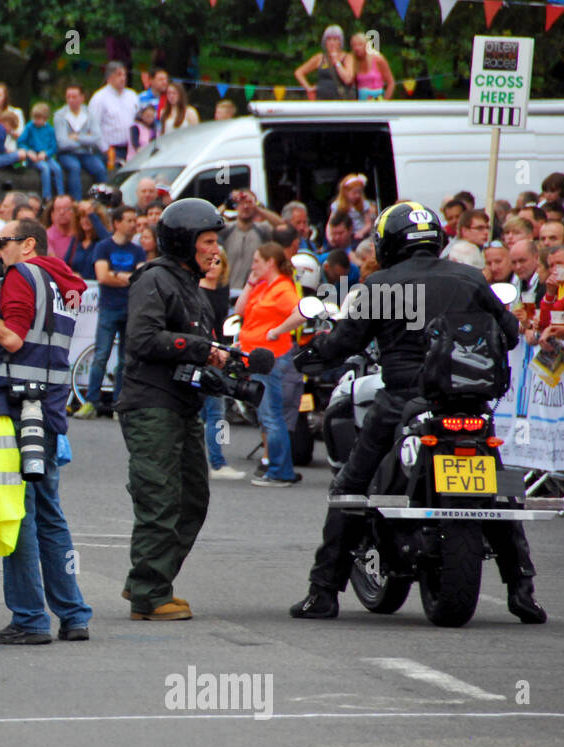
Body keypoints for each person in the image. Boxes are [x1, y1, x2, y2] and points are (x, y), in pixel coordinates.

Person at [289, 202, 544, 622]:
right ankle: (522, 592)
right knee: (500, 495)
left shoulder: (382, 284)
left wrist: (307, 355)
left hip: (402, 401)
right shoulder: (469, 277)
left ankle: (323, 592)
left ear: (388, 242)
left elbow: (343, 342)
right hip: (469, 404)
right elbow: (512, 334)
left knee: (349, 488)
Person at [0, 218, 92, 644]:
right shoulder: (62, 282)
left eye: (3, 242)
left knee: (14, 513)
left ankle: (29, 618)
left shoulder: (22, 275)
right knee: (49, 514)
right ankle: (73, 614)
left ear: (29, 244)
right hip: (48, 409)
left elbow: (14, 339)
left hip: (12, 411)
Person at [117, 199, 230, 620]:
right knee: (159, 499)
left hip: (182, 406)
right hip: (152, 407)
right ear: (184, 243)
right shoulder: (155, 280)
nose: (214, 249)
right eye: (207, 241)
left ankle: (149, 579)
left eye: (215, 241)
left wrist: (214, 356)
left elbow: (192, 340)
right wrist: (201, 347)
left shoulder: (191, 285)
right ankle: (149, 595)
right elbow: (142, 340)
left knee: (192, 499)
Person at [233, 242, 302, 486]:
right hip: (257, 357)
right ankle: (278, 468)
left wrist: (277, 331)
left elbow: (301, 312)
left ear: (270, 262)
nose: (253, 266)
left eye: (256, 261)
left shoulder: (282, 288)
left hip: (270, 358)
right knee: (268, 416)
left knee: (271, 416)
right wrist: (251, 282)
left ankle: (280, 471)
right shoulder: (265, 286)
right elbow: (240, 310)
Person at [77, 206, 144, 420]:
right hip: (109, 308)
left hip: (130, 308)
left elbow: (140, 278)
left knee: (126, 359)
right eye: (130, 220)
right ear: (116, 223)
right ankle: (91, 402)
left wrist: (117, 274)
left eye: (135, 220)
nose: (134, 224)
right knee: (101, 355)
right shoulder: (103, 247)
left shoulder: (138, 250)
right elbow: (102, 277)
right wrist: (127, 276)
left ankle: (119, 404)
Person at [199, 245, 243, 479]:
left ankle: (209, 461)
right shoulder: (198, 290)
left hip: (219, 354)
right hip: (206, 355)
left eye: (218, 262)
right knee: (215, 412)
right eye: (210, 261)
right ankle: (217, 463)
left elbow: (222, 325)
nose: (212, 267)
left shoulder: (221, 289)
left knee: (210, 413)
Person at [54, 84, 108, 201]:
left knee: (99, 168)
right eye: (68, 97)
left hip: (85, 152)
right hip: (67, 153)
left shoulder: (89, 114)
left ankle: (103, 200)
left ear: (82, 98)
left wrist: (77, 137)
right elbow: (62, 142)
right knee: (74, 167)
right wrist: (85, 140)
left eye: (74, 97)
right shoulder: (60, 115)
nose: (71, 100)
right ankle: (76, 202)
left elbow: (96, 138)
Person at [220, 189, 274, 293]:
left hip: (254, 293)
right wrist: (227, 202)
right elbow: (207, 222)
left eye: (249, 202)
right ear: (236, 205)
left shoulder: (263, 229)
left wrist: (258, 208)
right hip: (228, 291)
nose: (245, 206)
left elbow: (284, 226)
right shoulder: (227, 229)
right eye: (241, 202)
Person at [89, 61, 139, 167]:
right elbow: (94, 127)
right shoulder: (99, 98)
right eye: (119, 75)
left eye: (124, 74)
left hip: (131, 148)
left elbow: (138, 121)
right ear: (110, 77)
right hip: (111, 150)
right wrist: (105, 149)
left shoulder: (132, 95)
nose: (123, 78)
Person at [16, 103, 65, 201]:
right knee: (45, 168)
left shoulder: (50, 130)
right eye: (35, 118)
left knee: (57, 169)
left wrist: (46, 153)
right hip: (34, 158)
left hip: (46, 156)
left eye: (40, 119)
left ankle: (61, 195)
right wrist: (28, 151)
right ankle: (46, 196)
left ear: (45, 119)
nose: (37, 121)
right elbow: (21, 142)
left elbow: (53, 147)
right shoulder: (30, 127)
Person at [294, 25, 354, 99]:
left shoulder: (348, 57)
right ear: (325, 42)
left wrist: (337, 62)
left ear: (340, 42)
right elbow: (299, 72)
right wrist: (308, 87)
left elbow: (348, 79)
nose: (332, 43)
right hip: (321, 99)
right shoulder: (319, 58)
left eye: (335, 39)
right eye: (329, 39)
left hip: (340, 99)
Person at [346, 32, 394, 101]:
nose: (357, 48)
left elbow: (391, 83)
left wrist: (385, 103)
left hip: (378, 101)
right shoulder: (352, 62)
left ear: (366, 45)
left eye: (360, 45)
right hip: (361, 103)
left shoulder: (378, 59)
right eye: (354, 45)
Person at [68, 199, 108, 280]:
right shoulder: (76, 241)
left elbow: (107, 240)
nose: (85, 220)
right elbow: (65, 264)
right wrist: (72, 274)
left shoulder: (102, 241)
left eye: (89, 217)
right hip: (77, 287)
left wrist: (91, 214)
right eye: (82, 217)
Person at [329, 173, 375, 243]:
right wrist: (330, 236)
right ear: (345, 192)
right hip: (344, 236)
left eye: (359, 193)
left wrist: (361, 232)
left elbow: (368, 223)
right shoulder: (338, 205)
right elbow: (330, 223)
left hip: (359, 235)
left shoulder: (363, 205)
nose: (357, 195)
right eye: (354, 193)